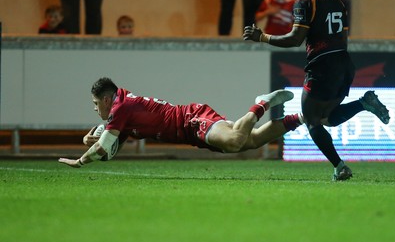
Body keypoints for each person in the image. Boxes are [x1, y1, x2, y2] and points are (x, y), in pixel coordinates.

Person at [243, 0, 390, 181]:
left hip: (322, 67)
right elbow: (343, 35)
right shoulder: (337, 0)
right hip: (344, 64)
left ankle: (340, 167)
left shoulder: (306, 0)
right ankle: (363, 104)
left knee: (312, 119)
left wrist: (262, 37)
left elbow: (295, 39)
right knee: (326, 117)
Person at [59, 77, 304, 168]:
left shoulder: (120, 107)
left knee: (234, 142)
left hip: (190, 120)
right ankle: (302, 116)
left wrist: (81, 159)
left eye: (95, 103)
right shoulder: (122, 110)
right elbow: (109, 153)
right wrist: (93, 142)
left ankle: (261, 103)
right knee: (250, 142)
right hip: (189, 132)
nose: (95, 109)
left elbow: (102, 149)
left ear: (106, 99)